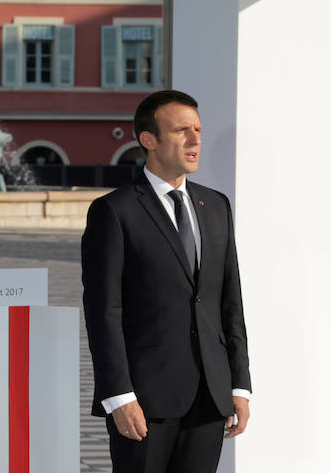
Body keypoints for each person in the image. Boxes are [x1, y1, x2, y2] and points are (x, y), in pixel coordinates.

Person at [81, 90, 251, 473]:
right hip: (143, 403)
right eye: (181, 130)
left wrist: (238, 384)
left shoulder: (216, 205)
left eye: (198, 130)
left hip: (210, 399)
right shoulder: (114, 211)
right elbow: (103, 312)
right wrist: (119, 396)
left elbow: (229, 302)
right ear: (149, 140)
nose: (194, 140)